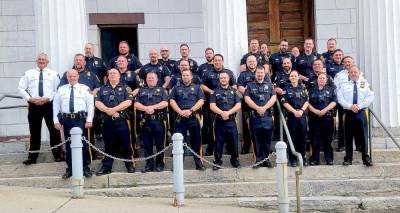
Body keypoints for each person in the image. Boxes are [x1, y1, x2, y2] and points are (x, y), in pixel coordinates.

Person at [18, 53, 64, 165]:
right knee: (34, 132)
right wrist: (30, 99)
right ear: (36, 61)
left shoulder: (53, 74)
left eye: (44, 59)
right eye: (39, 59)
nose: (41, 61)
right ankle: (32, 157)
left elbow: (58, 89)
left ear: (47, 62)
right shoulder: (28, 73)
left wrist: (48, 99)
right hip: (34, 105)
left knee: (54, 131)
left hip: (49, 105)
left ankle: (58, 155)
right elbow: (21, 88)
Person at [53, 69, 94, 178]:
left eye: (74, 76)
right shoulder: (61, 89)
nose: (72, 78)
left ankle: (86, 168)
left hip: (80, 120)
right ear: (67, 77)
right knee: (69, 145)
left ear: (77, 77)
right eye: (70, 76)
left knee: (84, 145)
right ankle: (70, 169)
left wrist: (89, 119)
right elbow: (56, 106)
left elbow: (90, 105)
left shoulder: (85, 89)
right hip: (66, 120)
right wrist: (56, 121)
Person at [60, 53, 101, 160]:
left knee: (87, 137)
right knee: (70, 139)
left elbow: (97, 87)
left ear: (84, 62)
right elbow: (61, 89)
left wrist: (91, 95)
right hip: (69, 113)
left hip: (86, 111)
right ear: (74, 61)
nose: (78, 62)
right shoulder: (67, 74)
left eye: (80, 60)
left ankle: (90, 158)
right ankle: (71, 163)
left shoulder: (91, 74)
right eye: (76, 60)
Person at [95, 69, 135, 175]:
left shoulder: (126, 88)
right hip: (107, 121)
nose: (112, 75)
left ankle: (129, 164)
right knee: (108, 145)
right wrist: (108, 111)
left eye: (114, 73)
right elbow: (97, 102)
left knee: (126, 144)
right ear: (107, 76)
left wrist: (114, 109)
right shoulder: (102, 89)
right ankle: (106, 166)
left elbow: (128, 102)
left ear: (119, 76)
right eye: (110, 73)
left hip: (121, 121)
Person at [337, 65, 374, 166]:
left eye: (355, 72)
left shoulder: (365, 84)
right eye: (351, 72)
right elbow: (340, 99)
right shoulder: (344, 85)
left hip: (361, 112)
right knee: (348, 137)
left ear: (359, 73)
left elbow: (370, 97)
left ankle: (366, 157)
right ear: (348, 74)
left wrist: (360, 106)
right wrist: (350, 106)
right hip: (349, 113)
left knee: (363, 136)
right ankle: (348, 158)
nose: (353, 74)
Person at [169, 69, 206, 171]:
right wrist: (180, 111)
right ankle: (177, 165)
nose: (185, 77)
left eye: (187, 75)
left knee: (197, 142)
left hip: (193, 117)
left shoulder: (197, 88)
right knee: (179, 143)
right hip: (180, 119)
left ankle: (199, 164)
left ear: (191, 77)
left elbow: (201, 101)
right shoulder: (176, 88)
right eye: (183, 75)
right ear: (181, 77)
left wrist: (191, 110)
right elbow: (171, 101)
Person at [201, 54, 237, 155]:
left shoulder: (229, 72)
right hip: (213, 105)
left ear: (222, 61)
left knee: (230, 129)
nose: (217, 62)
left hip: (228, 105)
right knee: (211, 127)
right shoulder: (208, 73)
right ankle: (211, 147)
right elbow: (202, 85)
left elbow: (234, 85)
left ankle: (230, 148)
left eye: (219, 60)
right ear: (213, 61)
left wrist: (230, 92)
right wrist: (211, 91)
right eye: (215, 60)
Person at [134, 72, 169, 172]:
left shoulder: (162, 90)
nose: (151, 80)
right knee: (147, 144)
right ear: (146, 80)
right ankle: (149, 165)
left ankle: (160, 164)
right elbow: (136, 104)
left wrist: (152, 107)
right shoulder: (141, 90)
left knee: (160, 144)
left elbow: (165, 103)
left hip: (158, 120)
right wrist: (146, 108)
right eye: (149, 78)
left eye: (153, 78)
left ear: (157, 80)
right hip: (145, 121)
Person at [244, 66, 276, 168]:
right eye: (258, 73)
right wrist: (258, 108)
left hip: (267, 117)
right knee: (256, 139)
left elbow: (274, 98)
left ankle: (266, 159)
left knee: (267, 140)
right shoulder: (249, 86)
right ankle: (258, 160)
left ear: (264, 74)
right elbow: (247, 99)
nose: (260, 74)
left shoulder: (270, 85)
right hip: (255, 117)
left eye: (262, 73)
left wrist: (264, 108)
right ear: (255, 73)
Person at [210, 72, 241, 170]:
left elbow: (238, 105)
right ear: (219, 80)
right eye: (221, 78)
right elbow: (212, 105)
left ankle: (235, 160)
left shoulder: (234, 91)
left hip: (231, 120)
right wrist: (221, 113)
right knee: (218, 142)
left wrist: (228, 113)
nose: (223, 79)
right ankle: (217, 161)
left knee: (234, 141)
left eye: (225, 78)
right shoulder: (214, 91)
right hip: (219, 121)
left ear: (228, 79)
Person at [307, 73, 337, 166]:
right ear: (317, 79)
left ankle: (329, 159)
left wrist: (325, 110)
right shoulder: (310, 90)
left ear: (327, 80)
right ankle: (314, 159)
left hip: (327, 117)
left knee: (327, 140)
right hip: (314, 118)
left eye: (324, 78)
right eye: (320, 78)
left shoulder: (332, 90)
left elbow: (334, 102)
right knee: (314, 139)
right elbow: (306, 102)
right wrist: (315, 111)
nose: (322, 79)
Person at [282, 70, 309, 167]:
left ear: (298, 77)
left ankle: (303, 158)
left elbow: (306, 101)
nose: (293, 77)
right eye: (291, 76)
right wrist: (294, 111)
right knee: (291, 138)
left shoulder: (303, 88)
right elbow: (284, 102)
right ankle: (292, 159)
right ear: (289, 78)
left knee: (302, 138)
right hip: (291, 117)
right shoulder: (286, 89)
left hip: (302, 116)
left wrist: (301, 111)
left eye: (295, 76)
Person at [237, 55, 258, 154]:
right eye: (250, 62)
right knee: (246, 126)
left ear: (256, 62)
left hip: (261, 105)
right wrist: (250, 93)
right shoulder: (243, 75)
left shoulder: (262, 73)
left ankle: (260, 145)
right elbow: (240, 87)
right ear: (247, 63)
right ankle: (246, 146)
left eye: (253, 61)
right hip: (247, 105)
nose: (252, 63)